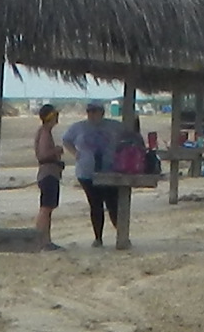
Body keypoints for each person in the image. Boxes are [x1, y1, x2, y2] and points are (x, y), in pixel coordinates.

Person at [68, 103, 135, 252]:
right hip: (86, 172)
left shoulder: (114, 126)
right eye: (89, 111)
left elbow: (129, 137)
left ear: (102, 112)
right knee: (95, 205)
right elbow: (66, 139)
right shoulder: (78, 127)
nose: (92, 114)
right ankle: (98, 238)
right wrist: (75, 153)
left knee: (113, 204)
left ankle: (122, 235)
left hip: (110, 170)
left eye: (95, 111)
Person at [27, 100, 67, 239]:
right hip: (48, 174)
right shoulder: (44, 132)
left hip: (49, 173)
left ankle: (45, 239)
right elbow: (43, 155)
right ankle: (41, 238)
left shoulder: (44, 131)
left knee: (47, 208)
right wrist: (56, 150)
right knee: (46, 208)